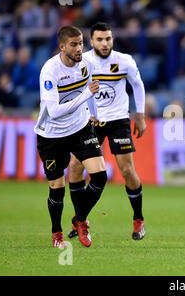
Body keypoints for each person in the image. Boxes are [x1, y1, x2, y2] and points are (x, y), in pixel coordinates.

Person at [67, 22, 147, 241]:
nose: (105, 43)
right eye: (100, 39)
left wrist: (139, 116)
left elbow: (138, 85)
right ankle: (80, 219)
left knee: (127, 170)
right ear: (91, 42)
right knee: (74, 167)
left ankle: (138, 218)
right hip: (90, 121)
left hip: (118, 120)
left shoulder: (124, 61)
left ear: (113, 40)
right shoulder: (83, 62)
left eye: (108, 39)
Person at [34, 25, 107, 248]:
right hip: (52, 134)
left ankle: (80, 219)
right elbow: (55, 111)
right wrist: (86, 95)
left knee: (100, 176)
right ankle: (57, 235)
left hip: (80, 128)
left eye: (81, 44)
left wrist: (93, 113)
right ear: (62, 46)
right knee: (57, 187)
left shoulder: (86, 64)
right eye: (74, 45)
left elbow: (90, 87)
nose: (79, 49)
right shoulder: (50, 71)